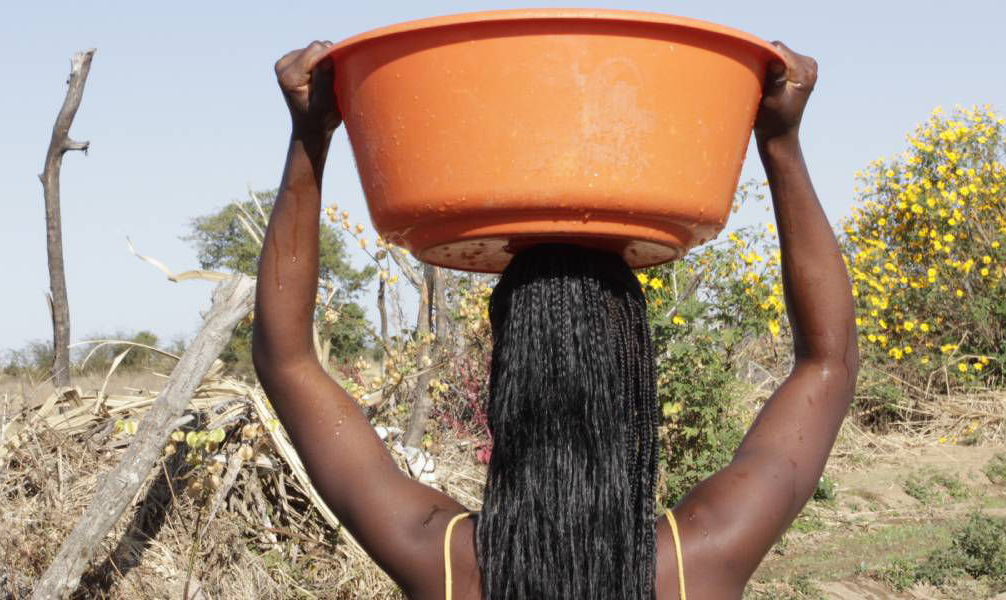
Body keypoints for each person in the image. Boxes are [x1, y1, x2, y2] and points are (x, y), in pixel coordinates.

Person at [253, 38, 856, 600]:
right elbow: (827, 364)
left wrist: (310, 137)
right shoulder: (698, 556)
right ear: (632, 371)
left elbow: (287, 362)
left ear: (505, 380)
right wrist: (781, 143)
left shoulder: (442, 557)